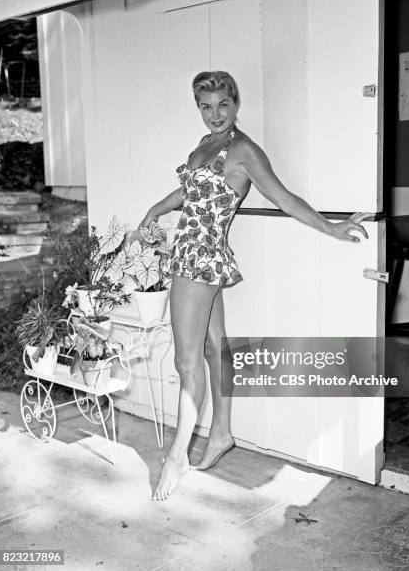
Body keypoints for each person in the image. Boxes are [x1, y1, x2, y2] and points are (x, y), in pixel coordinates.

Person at [138, 70, 371, 501]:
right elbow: (188, 193)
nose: (215, 114)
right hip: (191, 254)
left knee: (186, 364)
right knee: (214, 348)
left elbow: (283, 197)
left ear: (236, 102)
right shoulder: (204, 146)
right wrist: (153, 210)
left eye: (223, 104)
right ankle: (221, 432)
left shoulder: (243, 150)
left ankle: (176, 456)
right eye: (206, 107)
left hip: (199, 261)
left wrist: (331, 228)